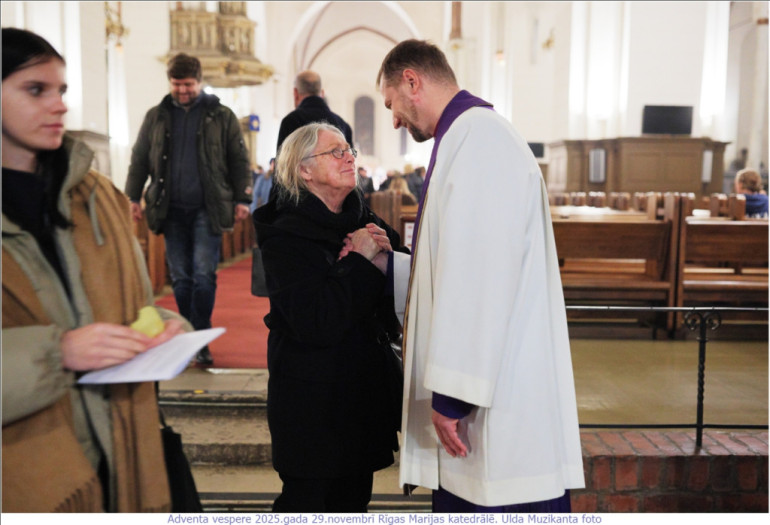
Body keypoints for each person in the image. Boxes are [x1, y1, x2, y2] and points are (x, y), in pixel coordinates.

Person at [377, 39, 585, 512]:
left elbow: (480, 279)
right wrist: (388, 264)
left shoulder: (480, 140)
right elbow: (454, 267)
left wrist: (453, 396)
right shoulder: (467, 138)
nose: (393, 119)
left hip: (495, 401)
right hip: (490, 386)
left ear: (413, 81)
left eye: (391, 103)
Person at [2, 27, 187, 512]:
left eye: (61, 90)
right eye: (35, 90)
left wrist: (165, 329)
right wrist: (57, 353)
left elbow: (137, 302)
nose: (60, 104)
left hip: (122, 448)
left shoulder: (96, 193)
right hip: (31, 473)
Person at [253, 122, 407, 512]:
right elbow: (315, 320)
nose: (349, 157)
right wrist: (358, 261)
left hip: (362, 394)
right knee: (308, 502)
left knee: (355, 501)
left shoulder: (362, 217)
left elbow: (400, 291)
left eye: (349, 150)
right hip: (312, 401)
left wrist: (386, 259)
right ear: (304, 169)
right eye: (335, 151)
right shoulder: (285, 235)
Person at [125, 53, 252, 367]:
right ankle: (189, 334)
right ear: (170, 82)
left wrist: (242, 198)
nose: (182, 90)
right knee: (181, 278)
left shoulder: (221, 115)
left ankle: (199, 334)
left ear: (199, 81)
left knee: (203, 276)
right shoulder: (156, 115)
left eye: (189, 85)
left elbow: (238, 160)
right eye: (177, 84)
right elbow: (140, 158)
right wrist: (132, 196)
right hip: (169, 208)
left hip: (207, 207)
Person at [276, 70, 353, 151]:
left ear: (295, 93)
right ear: (322, 93)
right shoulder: (343, 125)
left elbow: (282, 162)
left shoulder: (290, 121)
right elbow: (349, 161)